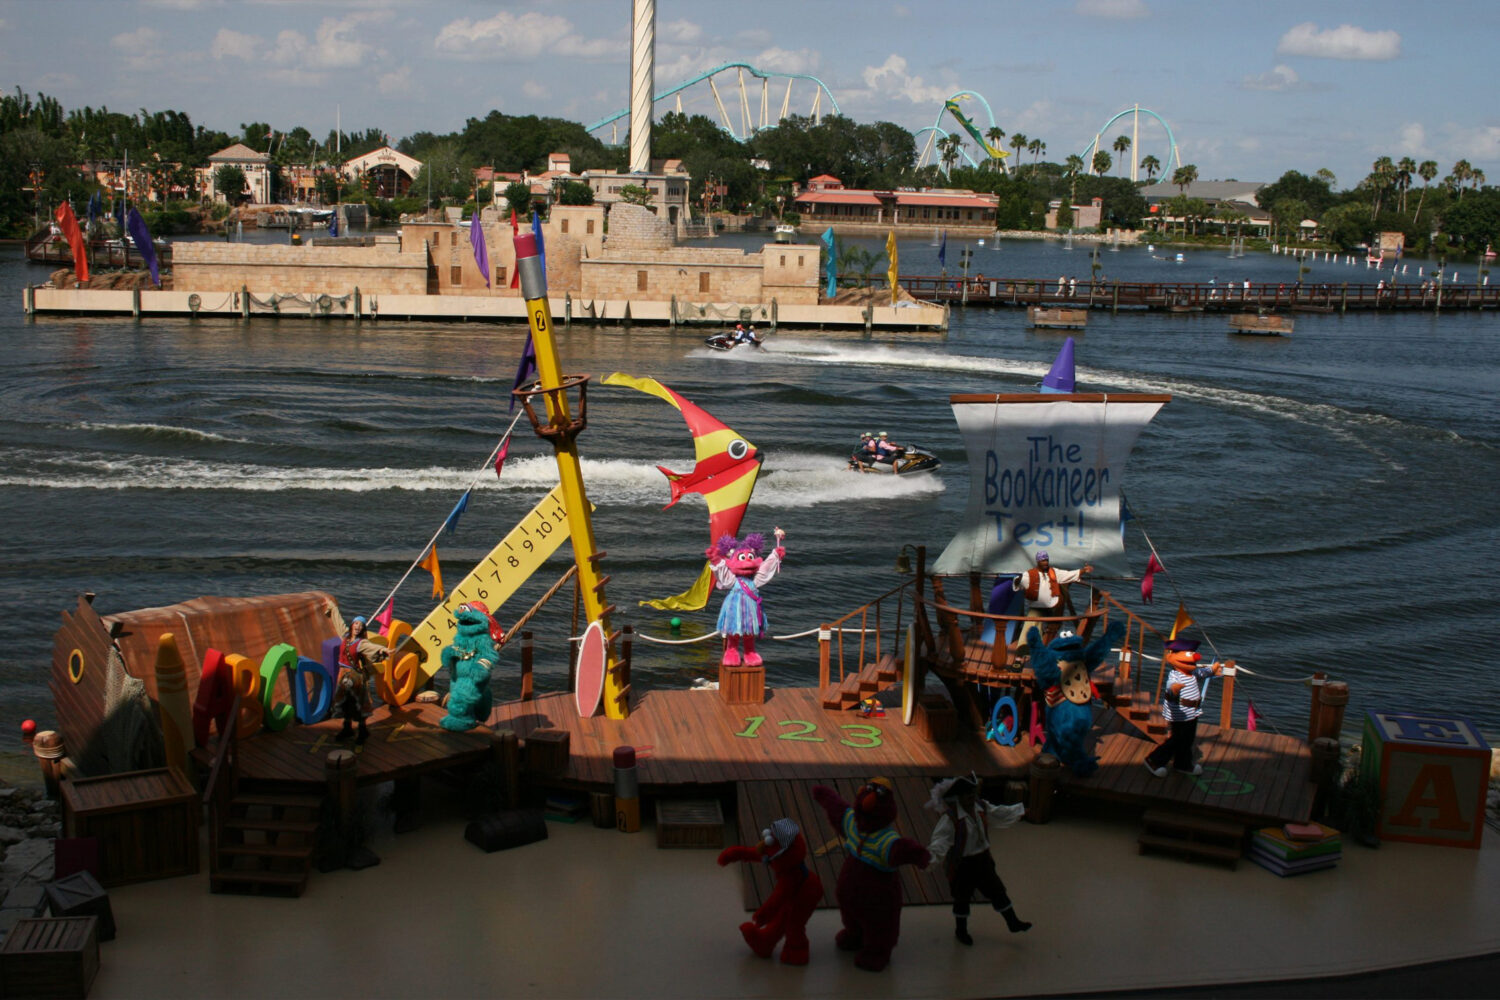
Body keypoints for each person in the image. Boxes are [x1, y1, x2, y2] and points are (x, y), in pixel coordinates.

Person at [925, 775, 1030, 945]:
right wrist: (929, 858)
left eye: (972, 793)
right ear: (959, 797)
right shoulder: (951, 819)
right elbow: (940, 841)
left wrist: (1020, 810)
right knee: (962, 898)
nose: (971, 797)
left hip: (983, 860)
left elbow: (998, 812)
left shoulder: (980, 807)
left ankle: (1013, 922)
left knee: (997, 890)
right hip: (963, 865)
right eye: (967, 795)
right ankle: (961, 931)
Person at [1144, 638, 1225, 778]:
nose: (1193, 661)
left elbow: (1202, 673)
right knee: (1177, 739)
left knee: (1188, 739)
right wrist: (1174, 689)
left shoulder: (1192, 673)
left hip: (1192, 713)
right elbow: (1170, 686)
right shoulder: (1175, 676)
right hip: (1179, 713)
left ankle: (1182, 764)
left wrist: (1212, 670)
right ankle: (1154, 760)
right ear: (1172, 657)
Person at [1013, 550, 1091, 652]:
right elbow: (1019, 584)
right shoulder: (1029, 574)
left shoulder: (1054, 572)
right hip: (1037, 606)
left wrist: (1083, 570)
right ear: (1038, 562)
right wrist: (1017, 581)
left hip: (1052, 606)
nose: (1045, 563)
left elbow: (1068, 575)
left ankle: (1048, 647)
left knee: (1054, 626)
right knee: (1030, 624)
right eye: (1043, 561)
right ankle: (1023, 650)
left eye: (1046, 560)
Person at [334, 615, 387, 744]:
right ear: (352, 625)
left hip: (354, 676)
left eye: (361, 625)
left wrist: (383, 650)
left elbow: (373, 648)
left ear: (363, 629)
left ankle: (362, 731)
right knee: (345, 702)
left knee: (358, 703)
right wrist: (332, 608)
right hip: (343, 674)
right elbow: (339, 622)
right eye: (356, 623)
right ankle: (347, 728)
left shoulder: (361, 643)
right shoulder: (345, 636)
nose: (358, 627)